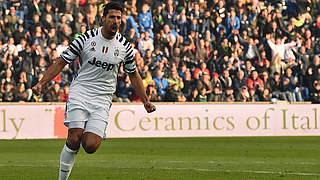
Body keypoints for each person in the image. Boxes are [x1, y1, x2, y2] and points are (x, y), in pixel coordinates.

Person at [32, 2, 156, 180]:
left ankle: (79, 140)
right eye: (112, 17)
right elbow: (61, 61)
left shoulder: (124, 47)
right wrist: (42, 82)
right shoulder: (86, 38)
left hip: (102, 99)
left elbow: (133, 74)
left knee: (90, 146)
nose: (115, 21)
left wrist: (145, 100)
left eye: (118, 18)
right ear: (103, 18)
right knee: (74, 137)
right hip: (80, 92)